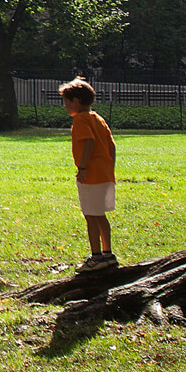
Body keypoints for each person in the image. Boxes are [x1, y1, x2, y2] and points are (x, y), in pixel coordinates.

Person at [61, 77, 118, 271]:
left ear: (76, 101)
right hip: (105, 174)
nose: (66, 107)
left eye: (67, 102)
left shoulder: (81, 120)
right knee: (100, 214)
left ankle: (96, 256)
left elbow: (89, 142)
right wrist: (110, 169)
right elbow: (112, 147)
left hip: (91, 174)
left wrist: (83, 168)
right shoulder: (98, 119)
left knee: (90, 216)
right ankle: (108, 253)